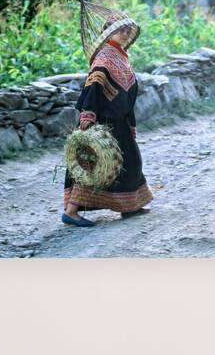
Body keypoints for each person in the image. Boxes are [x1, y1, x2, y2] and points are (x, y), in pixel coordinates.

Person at [60, 11, 154, 228]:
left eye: (128, 30)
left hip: (119, 122)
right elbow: (93, 86)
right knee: (91, 165)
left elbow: (128, 94)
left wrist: (130, 123)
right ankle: (71, 212)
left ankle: (130, 206)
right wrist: (88, 114)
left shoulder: (120, 56)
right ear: (108, 33)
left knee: (130, 163)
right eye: (120, 30)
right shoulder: (104, 57)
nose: (125, 33)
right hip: (102, 123)